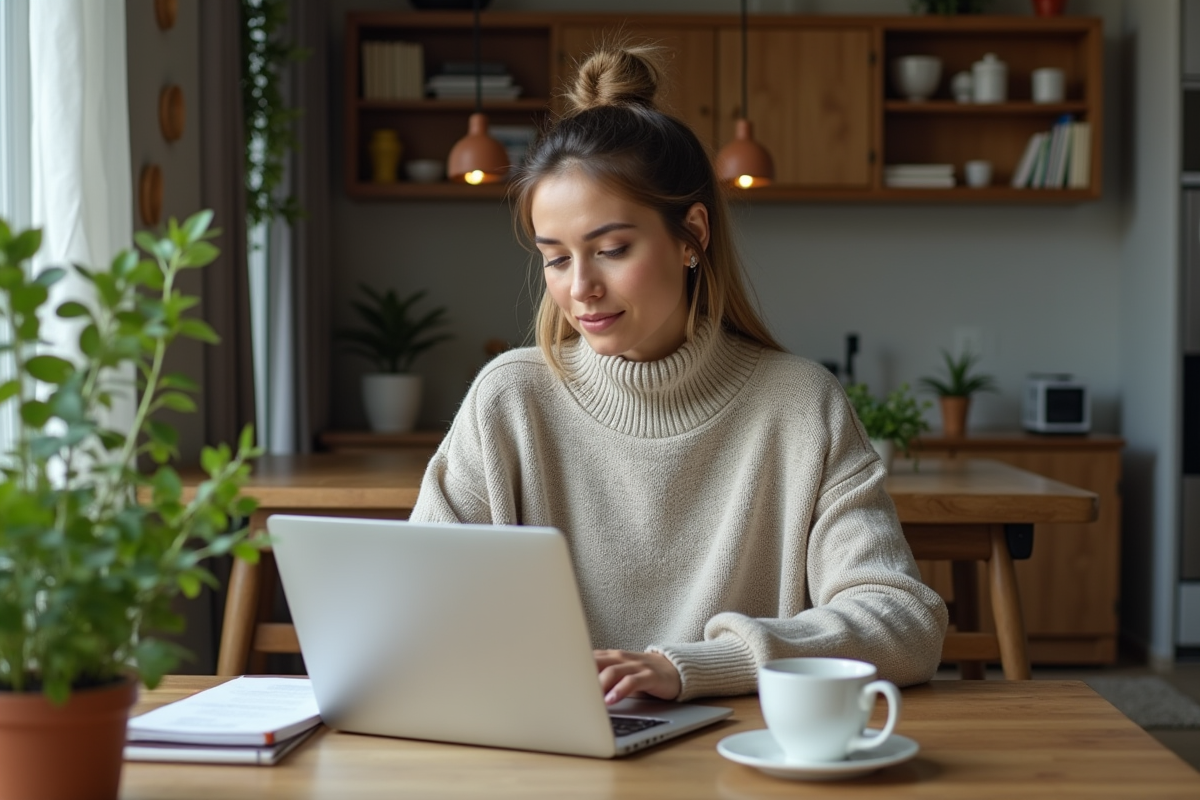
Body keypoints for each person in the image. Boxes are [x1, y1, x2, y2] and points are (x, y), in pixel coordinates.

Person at [410, 44, 948, 705]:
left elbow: (904, 621)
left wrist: (703, 664)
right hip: (551, 744)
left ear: (692, 235)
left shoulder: (801, 405)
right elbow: (417, 610)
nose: (580, 288)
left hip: (741, 746)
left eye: (612, 249)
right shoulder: (509, 400)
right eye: (556, 259)